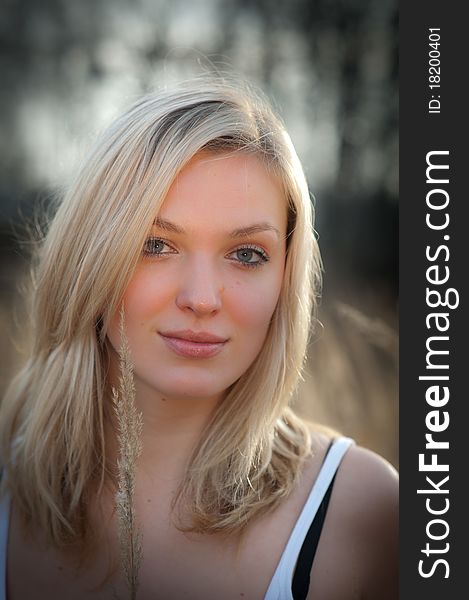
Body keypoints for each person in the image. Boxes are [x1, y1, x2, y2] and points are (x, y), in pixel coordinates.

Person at [0, 77, 398, 600]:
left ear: (285, 278)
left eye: (246, 254)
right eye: (157, 244)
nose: (203, 298)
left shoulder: (363, 513)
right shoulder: (10, 483)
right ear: (90, 258)